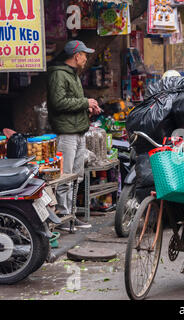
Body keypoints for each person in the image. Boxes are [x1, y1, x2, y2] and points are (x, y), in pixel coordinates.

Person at [47, 40, 101, 231]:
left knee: (76, 177)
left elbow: (75, 102)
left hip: (78, 131)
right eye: (84, 54)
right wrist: (85, 102)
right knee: (65, 176)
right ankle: (62, 214)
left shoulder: (73, 75)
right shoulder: (58, 74)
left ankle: (71, 214)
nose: (86, 58)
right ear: (76, 55)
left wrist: (89, 108)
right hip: (66, 133)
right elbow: (58, 103)